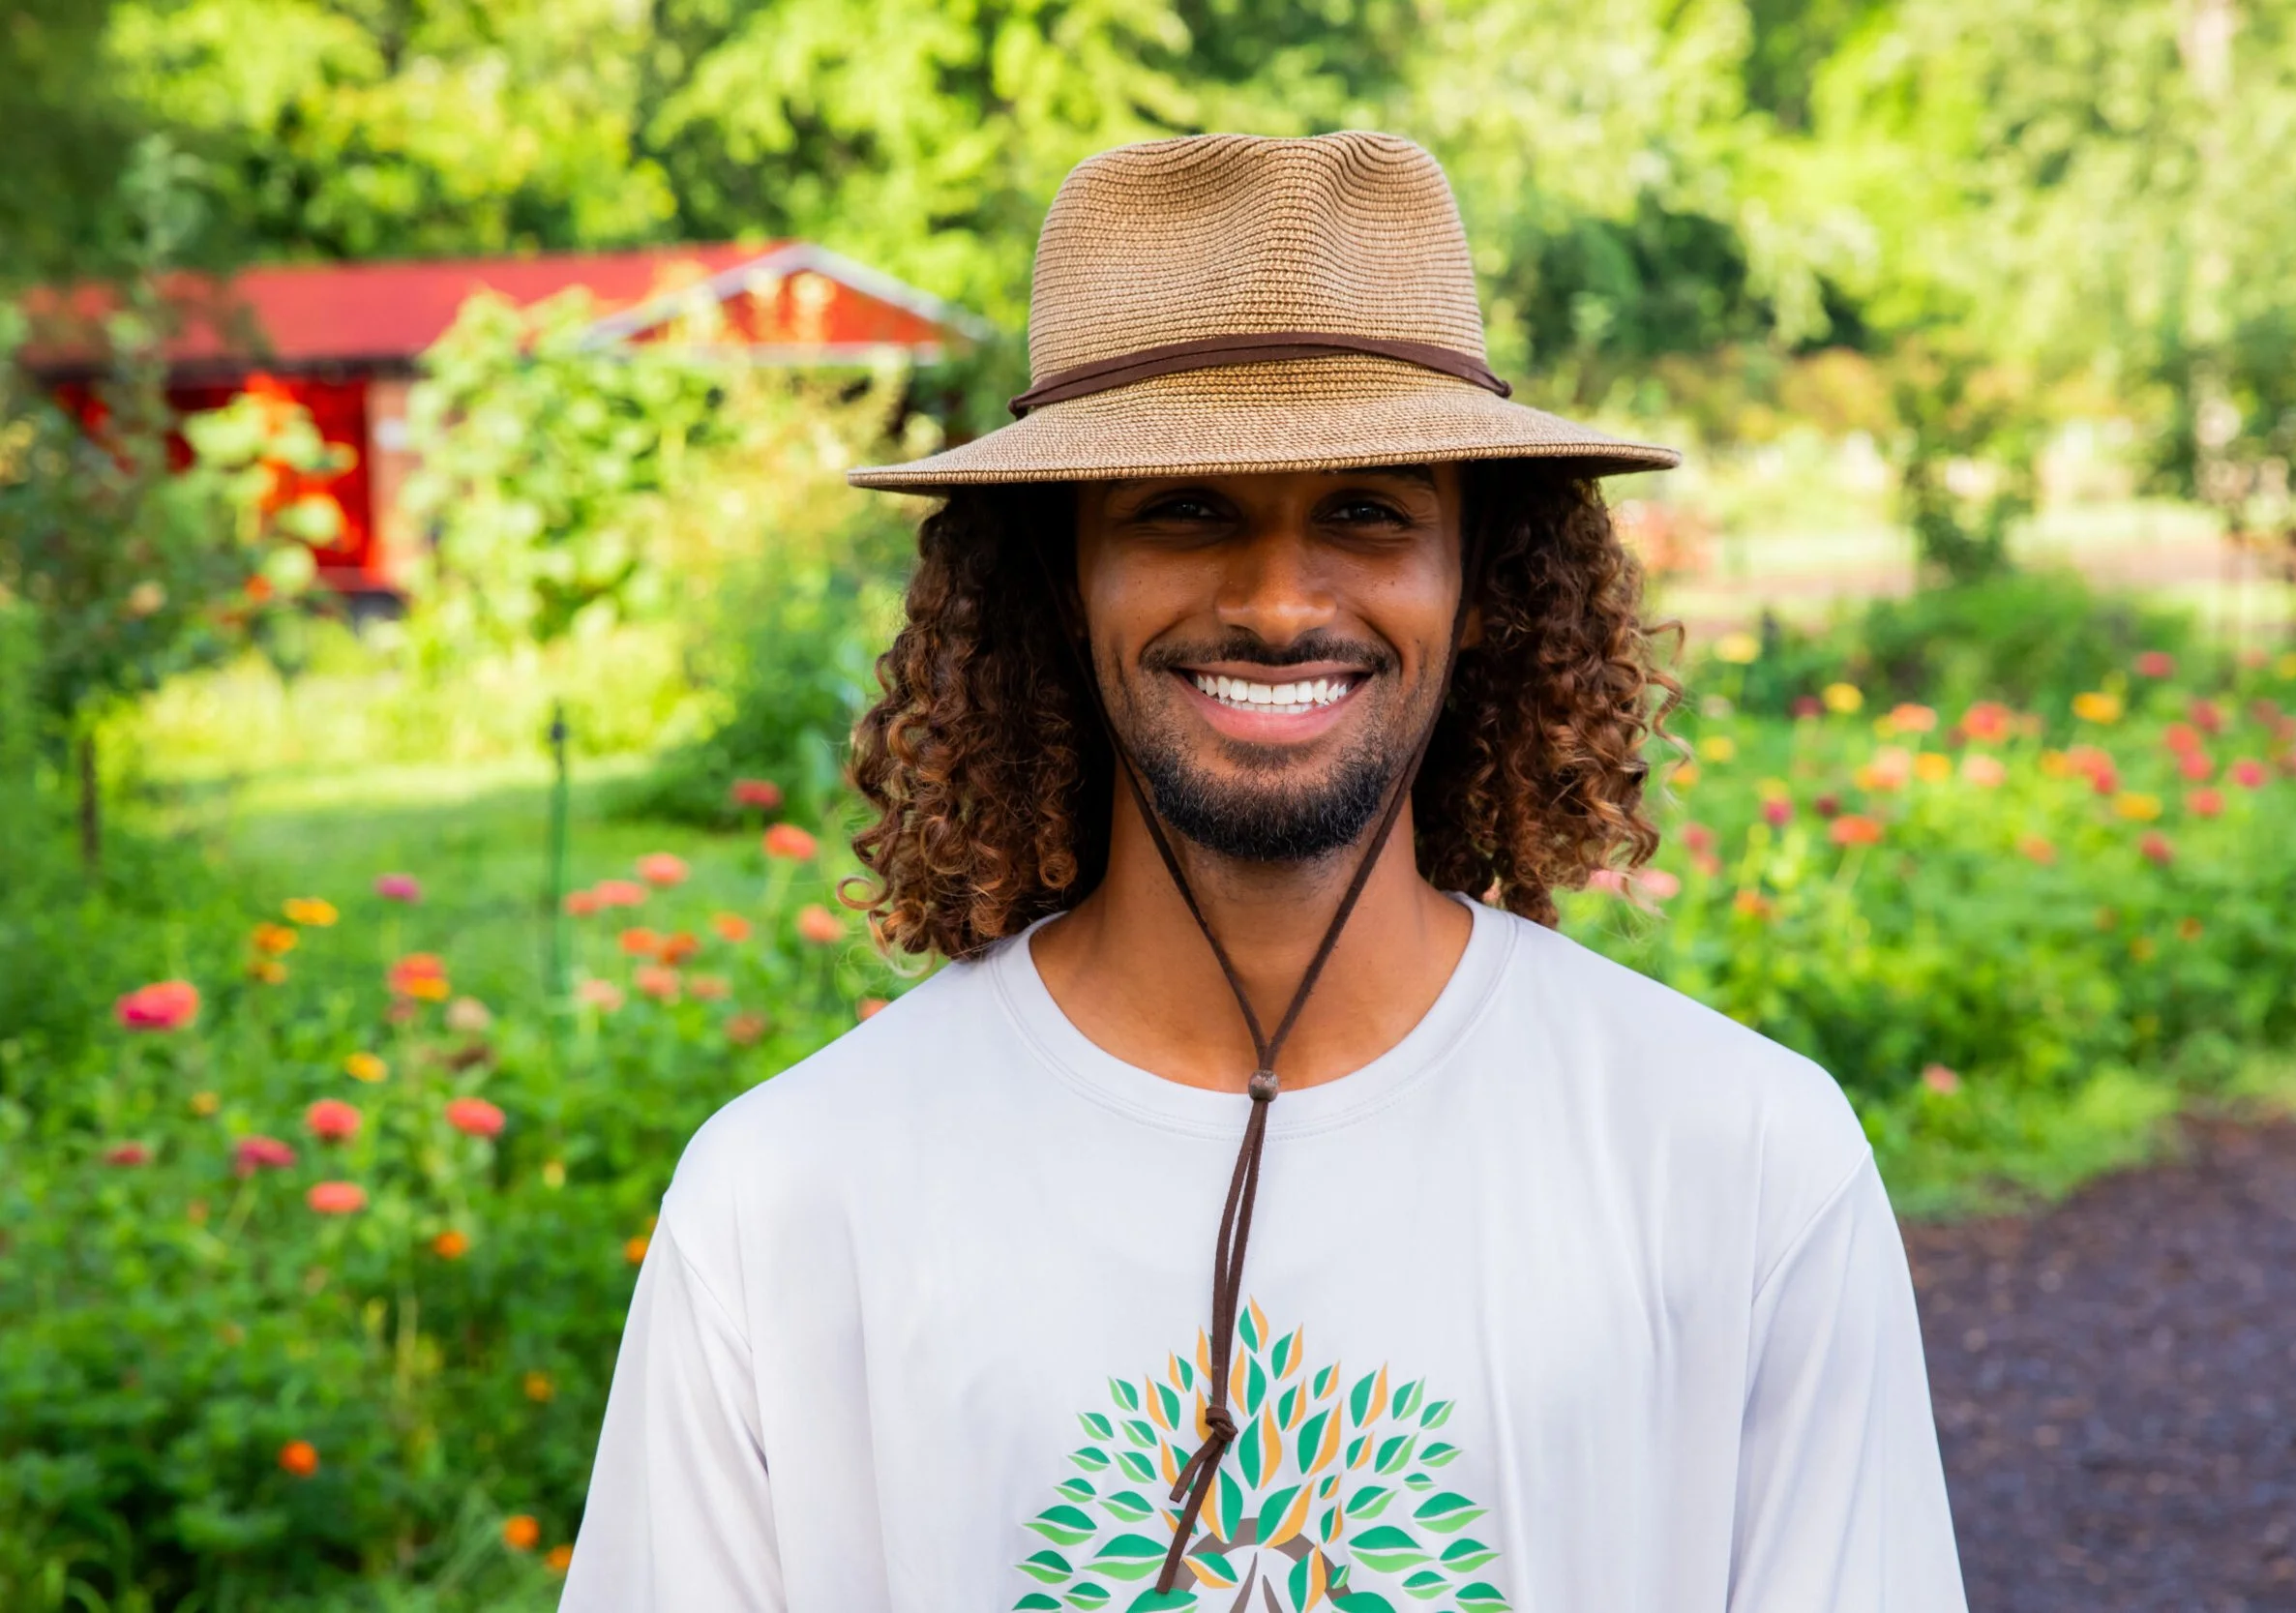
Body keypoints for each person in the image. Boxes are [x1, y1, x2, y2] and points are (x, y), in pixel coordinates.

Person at [561, 131, 1966, 1613]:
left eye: (1367, 510)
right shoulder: (789, 1206)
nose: (1282, 602)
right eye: (1185, 509)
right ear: (1060, 576)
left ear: (1479, 581)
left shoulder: (1741, 1165)